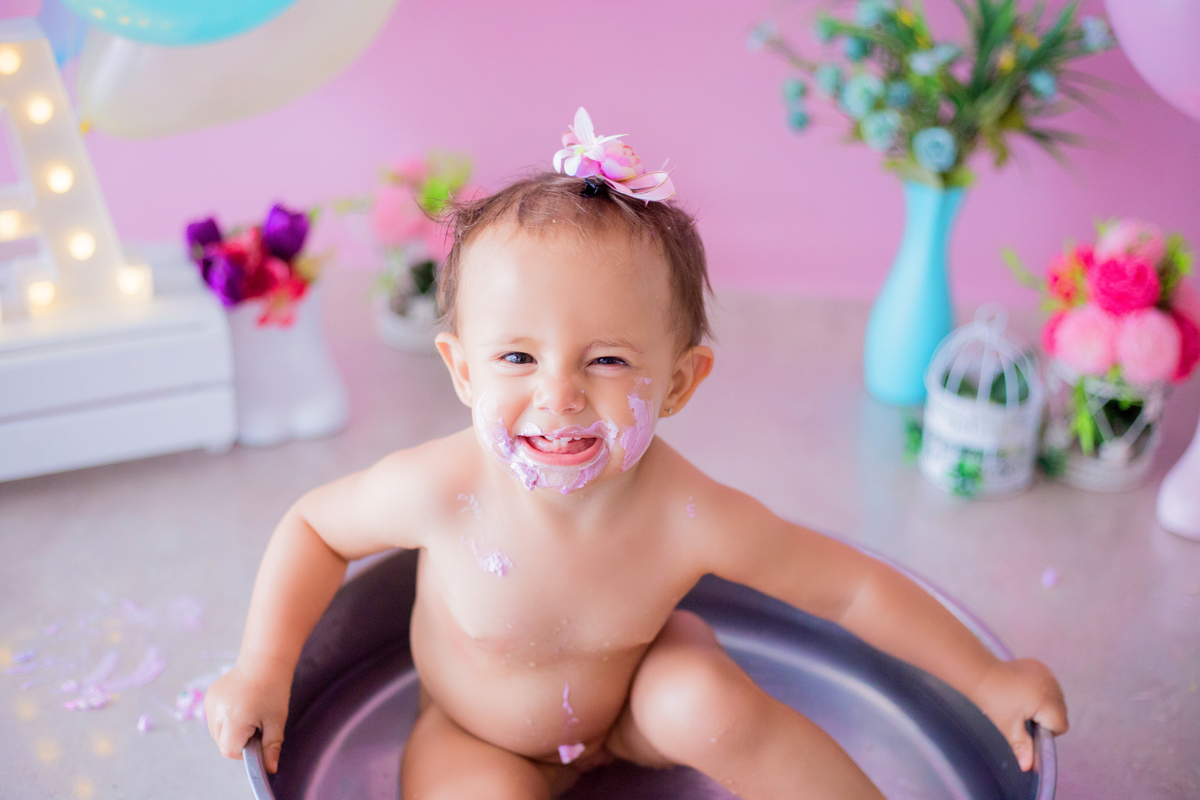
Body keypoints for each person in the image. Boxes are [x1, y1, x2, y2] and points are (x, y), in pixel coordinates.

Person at [205, 108, 1067, 799]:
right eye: (516, 358)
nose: (559, 394)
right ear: (461, 371)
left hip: (630, 717)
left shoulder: (686, 514)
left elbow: (850, 586)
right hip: (476, 735)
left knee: (703, 697)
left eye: (608, 360)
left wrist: (988, 678)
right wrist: (263, 668)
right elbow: (315, 528)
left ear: (682, 383)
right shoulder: (443, 491)